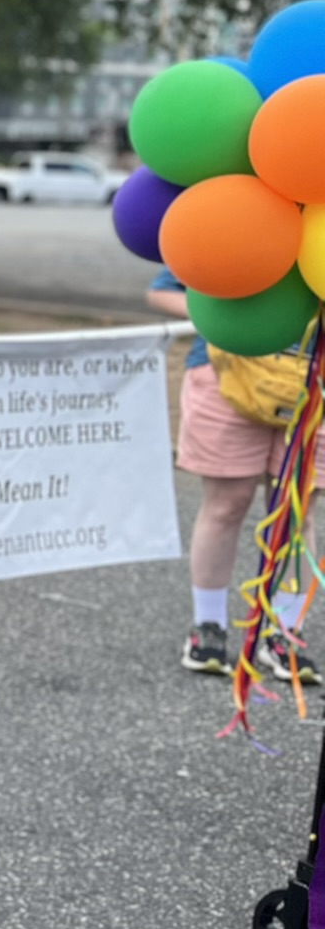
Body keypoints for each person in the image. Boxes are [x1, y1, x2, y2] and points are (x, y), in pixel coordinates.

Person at [148, 270, 316, 682]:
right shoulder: (235, 210)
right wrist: (235, 318)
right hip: (227, 374)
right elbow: (163, 292)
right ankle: (209, 627)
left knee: (299, 509)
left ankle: (284, 634)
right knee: (227, 502)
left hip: (314, 381)